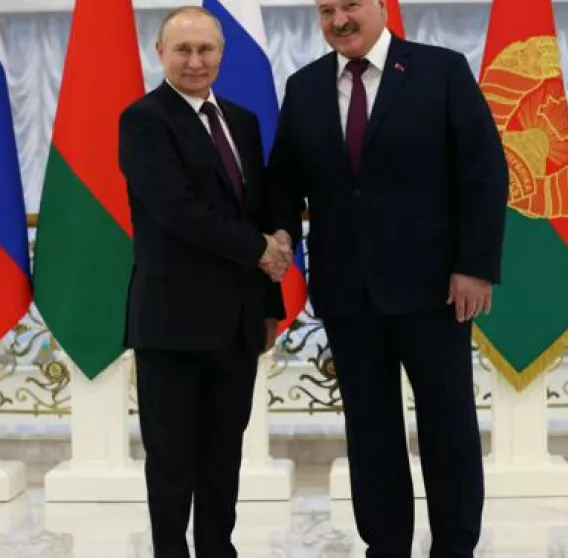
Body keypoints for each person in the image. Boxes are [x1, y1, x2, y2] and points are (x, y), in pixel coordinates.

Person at [266, 0, 509, 555]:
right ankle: (385, 544)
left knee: (447, 427)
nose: (339, 20)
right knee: (370, 432)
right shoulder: (303, 86)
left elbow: (484, 172)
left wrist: (474, 266)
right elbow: (283, 179)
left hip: (436, 291)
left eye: (350, 5)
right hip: (348, 293)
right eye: (326, 10)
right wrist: (281, 234)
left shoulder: (440, 69)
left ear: (380, 7)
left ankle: (455, 546)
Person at [118, 7, 292, 558]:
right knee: (172, 462)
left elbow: (256, 210)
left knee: (223, 455)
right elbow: (178, 211)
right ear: (160, 54)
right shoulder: (144, 120)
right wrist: (262, 250)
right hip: (172, 321)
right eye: (183, 50)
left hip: (238, 322)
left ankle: (220, 550)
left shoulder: (242, 120)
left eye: (206, 50)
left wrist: (269, 303)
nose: (195, 61)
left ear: (221, 53)